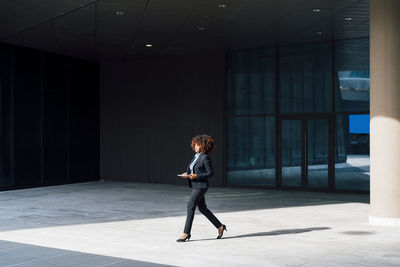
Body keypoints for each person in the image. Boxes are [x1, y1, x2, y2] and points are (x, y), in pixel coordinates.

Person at [177, 134, 227, 242]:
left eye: (198, 145)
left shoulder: (205, 158)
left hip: (201, 186)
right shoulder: (196, 156)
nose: (196, 146)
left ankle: (186, 233)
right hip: (196, 185)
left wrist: (196, 176)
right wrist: (187, 173)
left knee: (190, 206)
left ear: (204, 146)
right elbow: (193, 170)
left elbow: (210, 173)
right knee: (203, 208)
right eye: (195, 144)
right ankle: (220, 226)